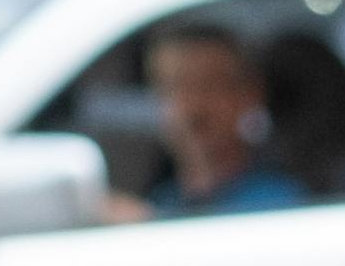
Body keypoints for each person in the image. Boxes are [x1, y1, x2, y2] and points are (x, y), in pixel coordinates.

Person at [129, 15, 304, 216]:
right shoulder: (164, 198)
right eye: (172, 87)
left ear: (250, 94)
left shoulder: (282, 201)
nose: (191, 107)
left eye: (209, 86)